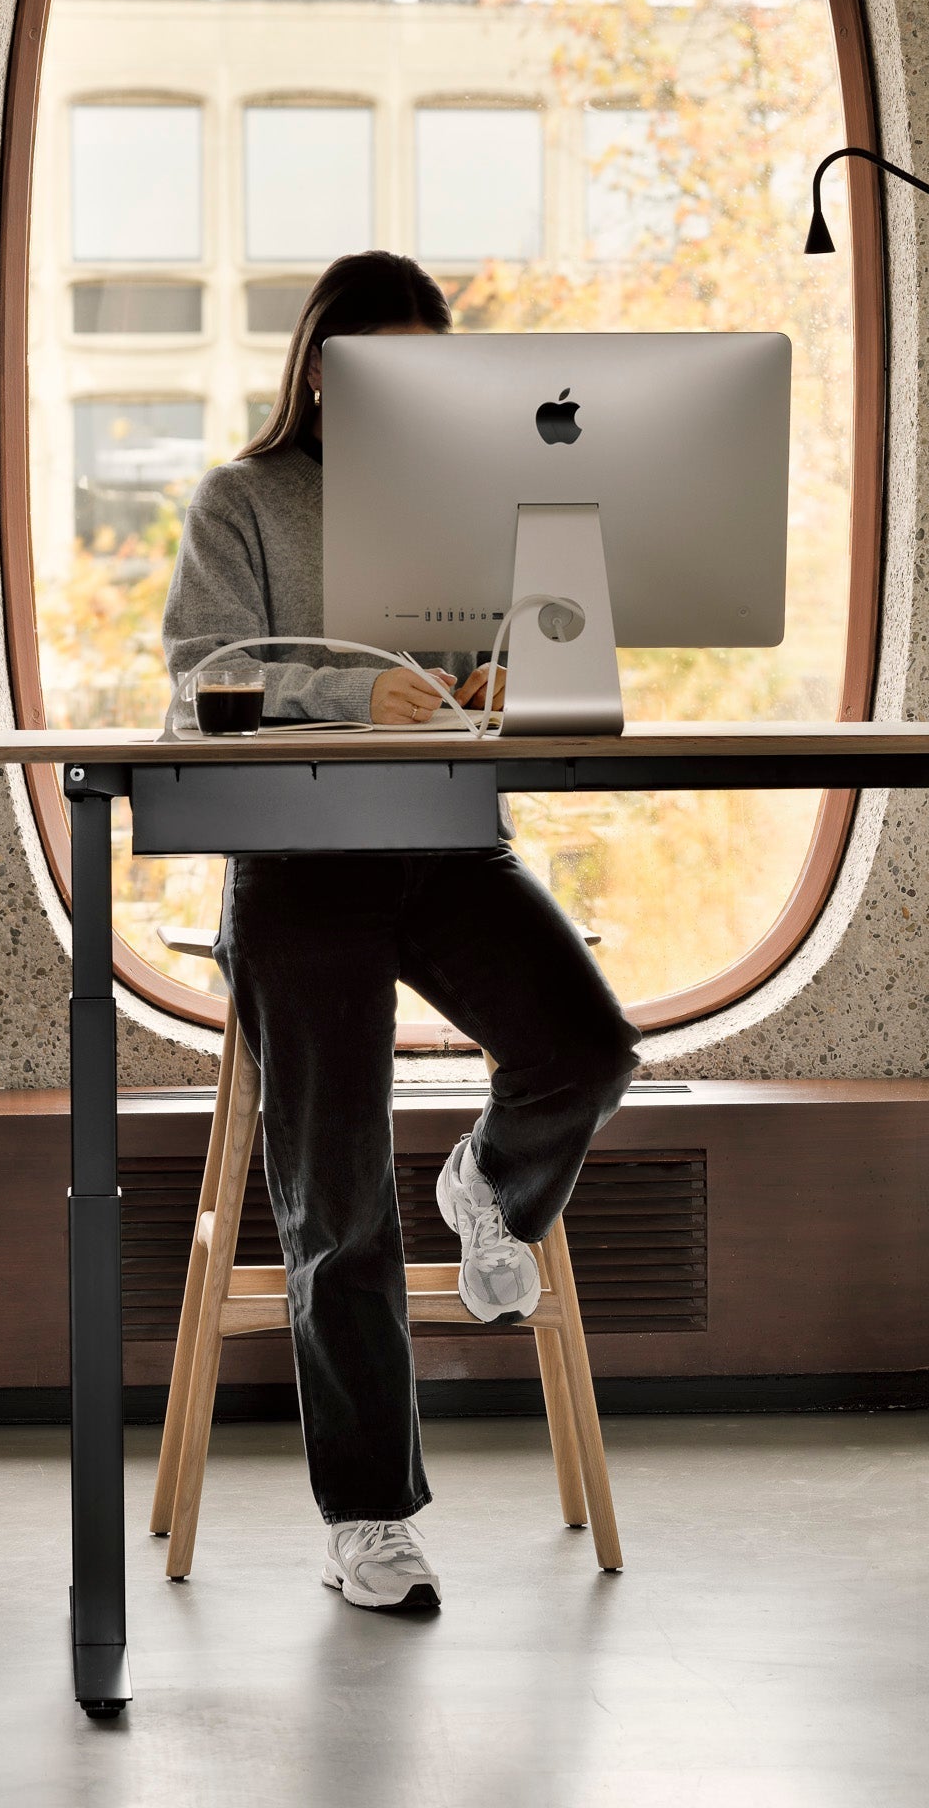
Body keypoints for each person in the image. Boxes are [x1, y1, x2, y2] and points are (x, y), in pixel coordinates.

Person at [162, 251, 639, 1611]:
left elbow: (517, 664)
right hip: (300, 862)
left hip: (446, 842)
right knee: (339, 1206)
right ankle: (368, 1517)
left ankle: (489, 1187)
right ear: (320, 368)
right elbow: (202, 678)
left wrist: (507, 675)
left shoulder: (471, 506)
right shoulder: (243, 501)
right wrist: (343, 695)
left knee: (588, 1047)